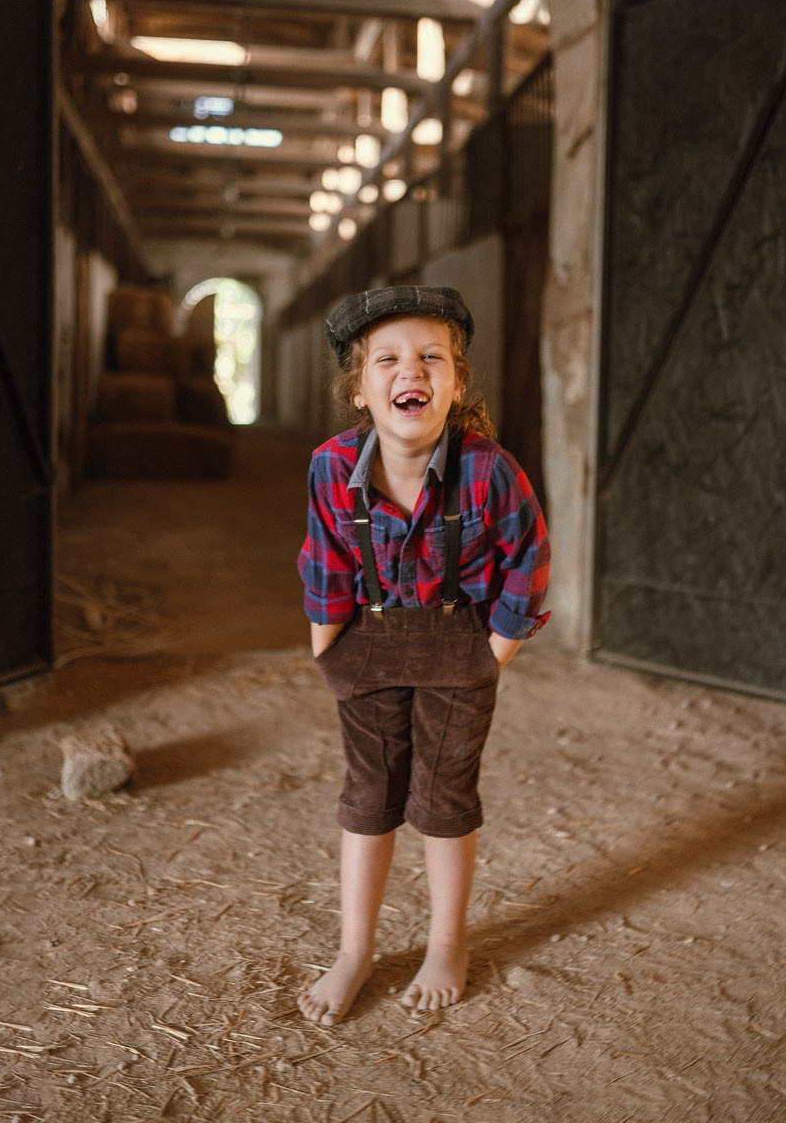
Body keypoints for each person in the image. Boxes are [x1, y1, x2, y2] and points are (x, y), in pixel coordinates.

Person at [297, 285, 550, 1026]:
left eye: (431, 357)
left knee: (443, 797)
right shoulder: (329, 465)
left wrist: (492, 656)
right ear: (360, 387)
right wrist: (330, 656)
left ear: (456, 383)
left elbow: (527, 560)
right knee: (368, 797)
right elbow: (323, 560)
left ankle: (447, 943)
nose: (413, 369)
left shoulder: (489, 468)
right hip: (367, 646)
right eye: (389, 359)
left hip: (459, 646)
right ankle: (355, 950)